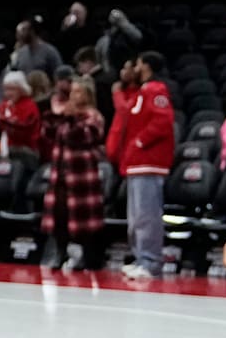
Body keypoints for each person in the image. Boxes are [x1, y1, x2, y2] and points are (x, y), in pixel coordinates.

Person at [114, 52, 175, 280]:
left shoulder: (156, 90)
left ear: (146, 66)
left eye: (138, 63)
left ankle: (150, 262)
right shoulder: (143, 92)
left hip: (148, 162)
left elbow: (163, 121)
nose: (135, 67)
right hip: (137, 163)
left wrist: (139, 142)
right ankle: (141, 258)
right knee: (136, 217)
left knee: (147, 216)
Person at [38, 77, 106, 270]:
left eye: (78, 92)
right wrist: (54, 116)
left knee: (84, 219)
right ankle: (59, 253)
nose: (73, 96)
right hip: (60, 173)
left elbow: (79, 136)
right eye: (72, 92)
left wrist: (69, 117)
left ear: (87, 94)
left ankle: (87, 257)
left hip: (81, 176)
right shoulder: (65, 115)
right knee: (59, 216)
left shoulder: (93, 116)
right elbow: (48, 135)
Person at [0, 71, 40, 162]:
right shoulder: (4, 105)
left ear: (21, 89)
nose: (8, 93)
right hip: (0, 151)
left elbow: (22, 131)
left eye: (12, 89)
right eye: (6, 89)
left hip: (22, 152)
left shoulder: (30, 106)